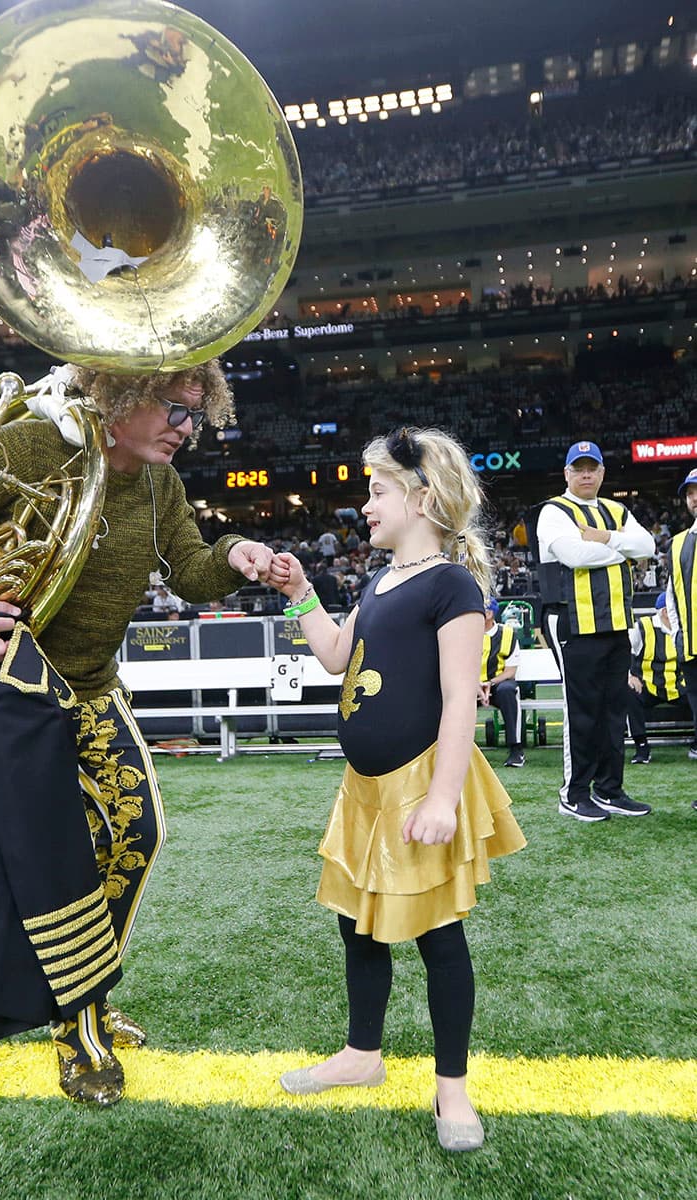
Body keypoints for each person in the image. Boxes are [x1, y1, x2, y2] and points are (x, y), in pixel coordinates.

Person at [0, 359, 275, 1107]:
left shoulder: (158, 482)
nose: (186, 427)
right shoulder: (38, 445)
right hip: (10, 687)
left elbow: (192, 569)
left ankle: (85, 994)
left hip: (92, 683)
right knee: (73, 845)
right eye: (174, 407)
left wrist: (236, 554)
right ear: (120, 395)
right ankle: (79, 1024)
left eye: (197, 413)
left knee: (140, 830)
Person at [268, 427, 525, 1154]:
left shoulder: (452, 584)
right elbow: (333, 657)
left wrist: (443, 799)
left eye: (377, 490)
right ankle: (362, 1055)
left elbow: (457, 700)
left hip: (419, 783)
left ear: (421, 497)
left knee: (440, 936)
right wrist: (299, 593)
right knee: (356, 923)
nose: (366, 504)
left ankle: (453, 1092)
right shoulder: (377, 583)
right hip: (365, 789)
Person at [536, 441, 655, 822]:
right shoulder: (553, 511)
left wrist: (604, 538)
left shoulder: (617, 510)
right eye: (579, 468)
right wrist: (624, 548)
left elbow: (648, 546)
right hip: (573, 620)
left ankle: (609, 789)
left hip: (616, 620)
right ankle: (574, 793)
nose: (586, 474)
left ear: (602, 473)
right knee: (582, 709)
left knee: (613, 708)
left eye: (593, 468)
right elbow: (575, 556)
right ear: (567, 474)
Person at [626, 592, 686, 765]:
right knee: (628, 692)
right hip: (648, 685)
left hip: (677, 685)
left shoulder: (685, 627)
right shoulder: (643, 627)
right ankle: (642, 747)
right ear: (666, 612)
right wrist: (629, 676)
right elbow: (623, 652)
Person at [665, 466, 697, 767]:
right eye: (690, 492)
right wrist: (677, 632)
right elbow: (672, 595)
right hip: (691, 646)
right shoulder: (676, 543)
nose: (694, 497)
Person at [479, 598, 525, 767]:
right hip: (470, 684)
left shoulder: (507, 633)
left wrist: (490, 682)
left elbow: (511, 671)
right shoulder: (465, 632)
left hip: (497, 684)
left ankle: (516, 749)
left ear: (491, 613)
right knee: (453, 693)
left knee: (508, 690)